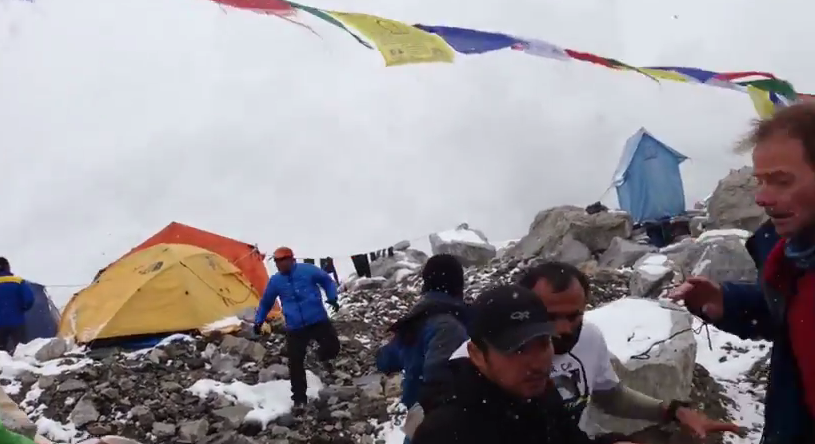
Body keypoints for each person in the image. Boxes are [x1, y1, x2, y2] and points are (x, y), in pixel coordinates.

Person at [447, 262, 738, 440]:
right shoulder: (478, 358)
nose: (562, 329)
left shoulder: (590, 338)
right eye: (550, 316)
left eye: (573, 316)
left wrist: (673, 411)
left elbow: (609, 394)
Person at [670, 103, 815, 444]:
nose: (762, 198)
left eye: (781, 181)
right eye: (760, 181)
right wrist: (726, 302)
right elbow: (796, 317)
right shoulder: (790, 260)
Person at [412, 284, 633, 444]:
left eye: (544, 343)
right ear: (477, 354)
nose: (537, 364)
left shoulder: (542, 396)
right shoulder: (445, 432)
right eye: (517, 350)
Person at [375, 254, 470, 443]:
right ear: (458, 285)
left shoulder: (417, 319)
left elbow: (386, 361)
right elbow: (441, 383)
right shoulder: (449, 324)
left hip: (418, 417)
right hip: (441, 424)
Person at [254, 247, 340, 407]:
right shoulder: (276, 281)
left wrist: (332, 297)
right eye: (277, 262)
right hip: (295, 327)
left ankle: (319, 358)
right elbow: (266, 302)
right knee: (295, 363)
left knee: (333, 347)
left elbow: (327, 281)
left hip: (317, 320)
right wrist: (258, 320)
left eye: (282, 261)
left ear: (291, 259)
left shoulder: (307, 270)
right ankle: (299, 398)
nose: (279, 265)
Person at [0, 257, 34, 354]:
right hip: (17, 322)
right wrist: (22, 309)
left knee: (1, 353)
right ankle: (23, 367)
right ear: (8, 267)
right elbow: (29, 299)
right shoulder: (18, 281)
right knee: (21, 350)